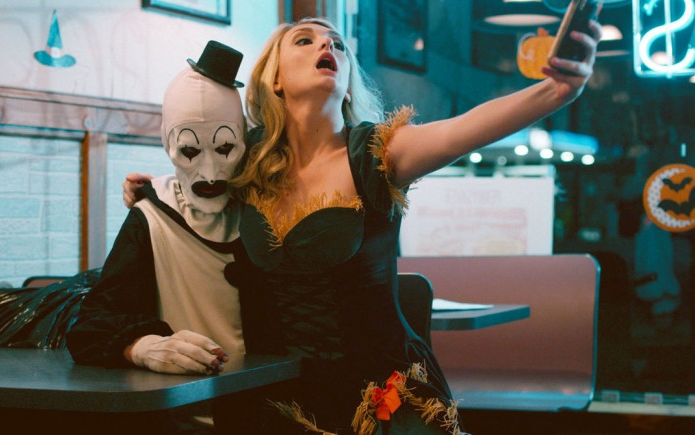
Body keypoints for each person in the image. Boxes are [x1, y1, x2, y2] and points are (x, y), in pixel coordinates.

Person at [124, 17, 602, 434]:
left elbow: (465, 128)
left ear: (348, 83)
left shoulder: (377, 153)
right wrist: (154, 192)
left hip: (380, 399)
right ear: (274, 80)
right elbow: (197, 179)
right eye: (305, 40)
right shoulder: (250, 164)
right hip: (277, 398)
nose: (326, 46)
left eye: (338, 44)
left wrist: (558, 90)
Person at [66, 40, 271, 433]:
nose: (209, 173)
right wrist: (142, 346)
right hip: (179, 418)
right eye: (190, 151)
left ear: (246, 142)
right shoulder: (152, 216)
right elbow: (91, 325)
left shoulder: (267, 208)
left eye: (225, 148)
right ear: (168, 145)